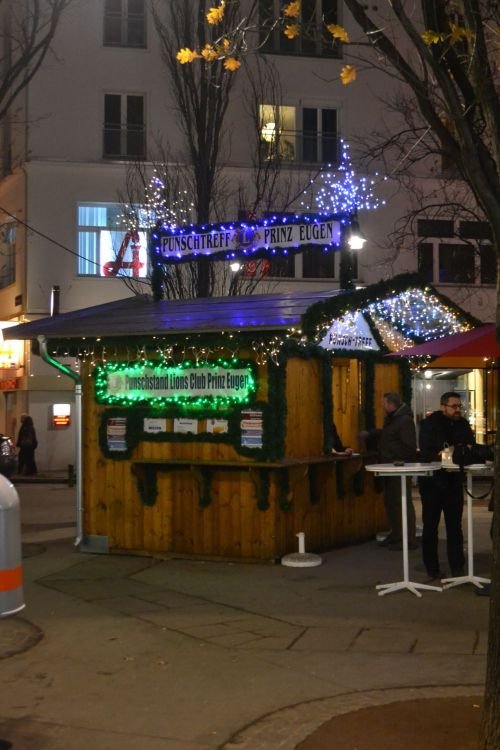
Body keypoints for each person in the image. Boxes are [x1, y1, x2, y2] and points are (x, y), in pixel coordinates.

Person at [418, 391, 475, 579]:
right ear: (443, 406)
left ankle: (457, 568)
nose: (458, 410)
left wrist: (454, 451)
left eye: (459, 406)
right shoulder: (430, 424)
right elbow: (427, 452)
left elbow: (470, 446)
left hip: (453, 482)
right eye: (454, 406)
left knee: (455, 527)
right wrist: (450, 451)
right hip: (432, 482)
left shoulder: (463, 424)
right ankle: (432, 569)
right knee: (430, 527)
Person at [361, 392, 418, 550]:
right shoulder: (393, 419)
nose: (382, 406)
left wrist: (395, 459)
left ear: (391, 404)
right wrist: (372, 433)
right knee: (391, 502)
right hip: (390, 467)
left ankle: (408, 539)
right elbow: (389, 435)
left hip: (399, 468)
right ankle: (397, 534)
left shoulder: (404, 421)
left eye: (384, 403)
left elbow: (409, 447)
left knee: (402, 503)